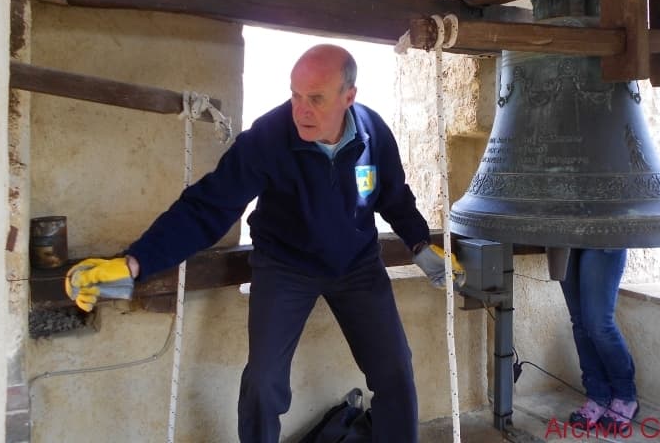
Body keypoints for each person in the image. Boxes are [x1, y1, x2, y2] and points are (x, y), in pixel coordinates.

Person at [66, 44, 455, 443]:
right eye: (295, 95)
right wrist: (135, 263)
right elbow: (207, 208)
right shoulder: (268, 137)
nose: (301, 109)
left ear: (348, 97)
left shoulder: (374, 132)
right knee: (264, 382)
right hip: (286, 266)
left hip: (356, 265)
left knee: (395, 370)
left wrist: (420, 244)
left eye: (315, 99)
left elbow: (394, 196)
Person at [561, 248, 639, 432]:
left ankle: (625, 395)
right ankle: (597, 395)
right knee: (580, 322)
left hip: (603, 234)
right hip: (562, 236)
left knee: (599, 324)